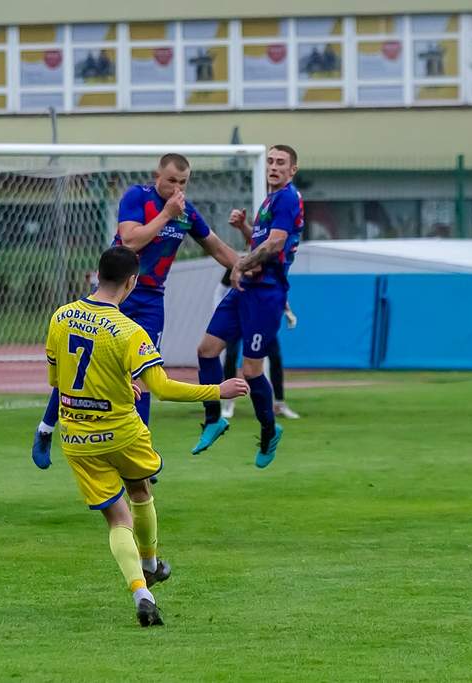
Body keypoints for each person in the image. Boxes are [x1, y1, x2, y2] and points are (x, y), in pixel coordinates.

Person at [44, 246, 249, 627]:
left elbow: (58, 380)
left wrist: (115, 385)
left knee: (116, 518)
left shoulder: (61, 317)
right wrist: (217, 390)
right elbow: (163, 388)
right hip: (122, 432)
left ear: (97, 275)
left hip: (77, 436)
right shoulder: (129, 331)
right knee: (139, 491)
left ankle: (142, 590)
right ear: (132, 282)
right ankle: (151, 562)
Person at [32, 153, 241, 468]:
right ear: (157, 176)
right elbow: (130, 240)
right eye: (171, 180)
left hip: (151, 301)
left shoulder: (187, 213)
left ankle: (139, 453)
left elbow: (218, 248)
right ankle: (46, 429)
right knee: (78, 361)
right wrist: (166, 215)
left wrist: (247, 268)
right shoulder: (137, 197)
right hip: (115, 292)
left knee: (144, 375)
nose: (176, 188)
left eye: (183, 182)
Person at [192, 145, 304, 468]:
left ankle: (269, 431)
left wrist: (240, 265)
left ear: (293, 170)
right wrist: (244, 228)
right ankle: (213, 419)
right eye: (270, 161)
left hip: (266, 294)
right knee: (207, 350)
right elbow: (261, 241)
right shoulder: (270, 200)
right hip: (246, 288)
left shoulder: (288, 197)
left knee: (252, 370)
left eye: (281, 162)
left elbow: (276, 243)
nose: (273, 166)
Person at [216, 266, 301, 420]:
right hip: (237, 319)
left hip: (260, 320)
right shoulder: (238, 264)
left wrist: (287, 311)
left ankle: (279, 403)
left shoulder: (270, 268)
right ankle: (228, 402)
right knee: (231, 355)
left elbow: (278, 293)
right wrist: (222, 314)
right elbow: (221, 290)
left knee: (275, 357)